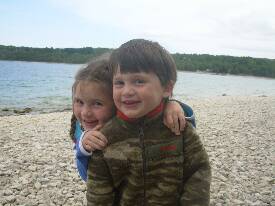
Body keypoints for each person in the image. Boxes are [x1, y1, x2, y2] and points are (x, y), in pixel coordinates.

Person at [86, 39, 211, 205]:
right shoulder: (105, 137)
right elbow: (98, 190)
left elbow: (198, 172)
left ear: (167, 88)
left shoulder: (179, 129)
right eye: (119, 83)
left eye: (139, 81)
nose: (127, 91)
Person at [70, 54, 196, 182]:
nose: (85, 113)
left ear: (119, 103)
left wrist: (170, 105)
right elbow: (87, 177)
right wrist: (83, 148)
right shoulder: (81, 132)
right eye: (79, 102)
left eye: (97, 103)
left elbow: (187, 135)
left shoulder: (134, 121)